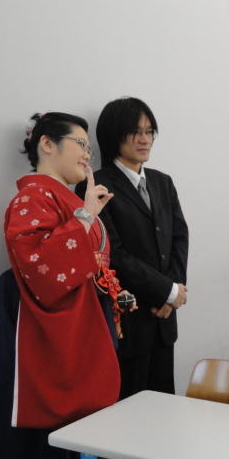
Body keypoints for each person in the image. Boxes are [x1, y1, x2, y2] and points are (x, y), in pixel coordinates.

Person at [2, 112, 135, 459]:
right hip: (63, 329)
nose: (88, 154)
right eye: (80, 144)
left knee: (91, 431)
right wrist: (86, 217)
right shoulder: (32, 198)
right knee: (65, 440)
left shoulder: (67, 200)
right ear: (47, 144)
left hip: (88, 320)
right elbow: (40, 267)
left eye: (89, 148)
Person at [76, 97, 189, 398]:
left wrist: (173, 292)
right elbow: (113, 253)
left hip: (164, 317)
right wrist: (166, 290)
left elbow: (179, 237)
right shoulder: (96, 186)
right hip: (127, 320)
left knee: (164, 404)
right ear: (113, 136)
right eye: (135, 132)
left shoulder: (163, 182)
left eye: (149, 131)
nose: (144, 139)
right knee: (128, 407)